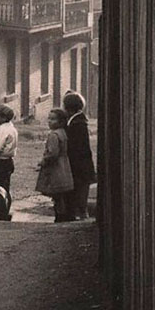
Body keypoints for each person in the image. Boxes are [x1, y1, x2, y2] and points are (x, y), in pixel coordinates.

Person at [35, 108, 74, 222]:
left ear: (61, 121)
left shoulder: (53, 135)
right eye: (49, 118)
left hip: (55, 168)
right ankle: (64, 214)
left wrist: (44, 160)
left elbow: (53, 153)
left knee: (57, 194)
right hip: (64, 165)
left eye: (53, 119)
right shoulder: (63, 132)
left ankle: (60, 216)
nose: (49, 121)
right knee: (61, 194)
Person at [63, 91, 96, 220]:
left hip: (79, 165)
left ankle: (80, 215)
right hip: (81, 164)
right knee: (80, 190)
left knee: (80, 191)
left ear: (68, 107)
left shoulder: (78, 124)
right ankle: (79, 213)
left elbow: (77, 147)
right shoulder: (77, 121)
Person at [0, 103, 18, 202]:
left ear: (4, 117)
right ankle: (6, 205)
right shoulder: (12, 128)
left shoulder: (3, 129)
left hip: (1, 161)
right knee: (6, 186)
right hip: (9, 161)